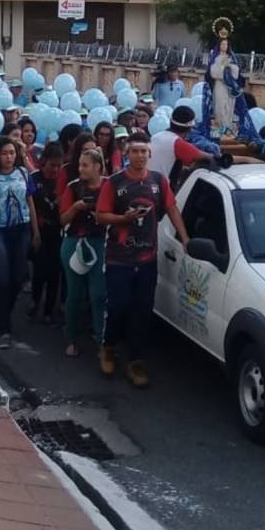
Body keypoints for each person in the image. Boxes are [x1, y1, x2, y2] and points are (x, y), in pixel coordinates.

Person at [96, 132, 190, 387]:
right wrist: (122, 219)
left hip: (147, 258)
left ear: (150, 154)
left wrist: (185, 238)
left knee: (142, 310)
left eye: (143, 151)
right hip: (118, 258)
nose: (139, 155)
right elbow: (101, 215)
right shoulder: (114, 183)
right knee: (117, 307)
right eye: (134, 151)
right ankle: (107, 347)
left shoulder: (159, 181)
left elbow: (171, 209)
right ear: (127, 154)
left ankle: (135, 361)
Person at [0, 136, 40, 349]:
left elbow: (30, 202)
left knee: (18, 276)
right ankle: (4, 327)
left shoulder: (23, 173)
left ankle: (6, 310)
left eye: (12, 153)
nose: (9, 157)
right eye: (5, 153)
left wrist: (36, 232)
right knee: (1, 278)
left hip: (21, 229)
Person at [59, 147, 108, 358]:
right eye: (79, 164)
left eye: (85, 165)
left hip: (100, 243)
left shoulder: (109, 186)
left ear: (97, 167)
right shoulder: (73, 188)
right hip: (74, 243)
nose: (80, 169)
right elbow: (62, 219)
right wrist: (77, 207)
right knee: (75, 294)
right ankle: (71, 338)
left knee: (98, 294)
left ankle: (102, 340)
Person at [28, 141, 64, 325]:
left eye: (59, 166)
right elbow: (30, 206)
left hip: (58, 233)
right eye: (52, 165)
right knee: (40, 271)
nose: (55, 170)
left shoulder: (64, 181)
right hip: (39, 231)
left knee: (55, 273)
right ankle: (35, 301)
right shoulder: (34, 179)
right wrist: (35, 233)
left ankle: (50, 309)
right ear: (44, 162)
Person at [148, 106, 219, 191]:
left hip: (146, 186)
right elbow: (212, 157)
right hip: (160, 191)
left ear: (170, 122)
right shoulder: (178, 143)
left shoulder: (156, 136)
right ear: (190, 128)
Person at [57, 132, 96, 199]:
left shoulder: (98, 169)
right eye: (86, 150)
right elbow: (59, 197)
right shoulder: (66, 170)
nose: (90, 154)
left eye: (93, 150)